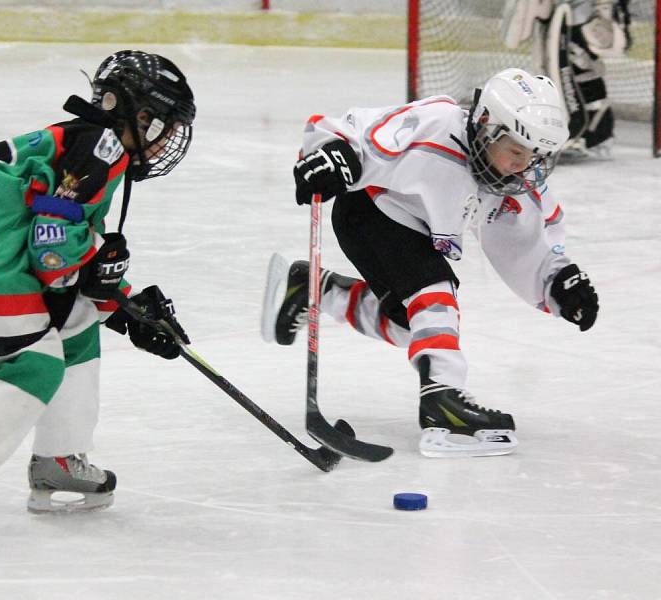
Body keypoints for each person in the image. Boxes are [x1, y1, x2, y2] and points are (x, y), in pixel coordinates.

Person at [0, 50, 196, 552]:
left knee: (76, 324)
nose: (163, 141)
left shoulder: (94, 142)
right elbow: (52, 250)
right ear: (138, 114)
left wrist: (126, 306)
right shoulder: (100, 147)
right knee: (32, 365)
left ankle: (58, 461)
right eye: (161, 124)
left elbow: (65, 244)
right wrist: (106, 285)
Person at [261, 68, 599, 458]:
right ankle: (443, 400)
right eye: (517, 152)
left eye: (535, 157)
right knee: (434, 292)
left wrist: (558, 283)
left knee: (415, 325)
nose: (523, 166)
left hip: (409, 231)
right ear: (486, 125)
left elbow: (524, 241)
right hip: (368, 209)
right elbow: (357, 132)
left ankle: (319, 292)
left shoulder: (512, 179)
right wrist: (333, 154)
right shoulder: (437, 124)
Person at [501, 0, 632, 160]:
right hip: (563, 15)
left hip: (584, 17)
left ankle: (594, 133)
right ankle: (580, 131)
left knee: (579, 58)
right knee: (556, 60)